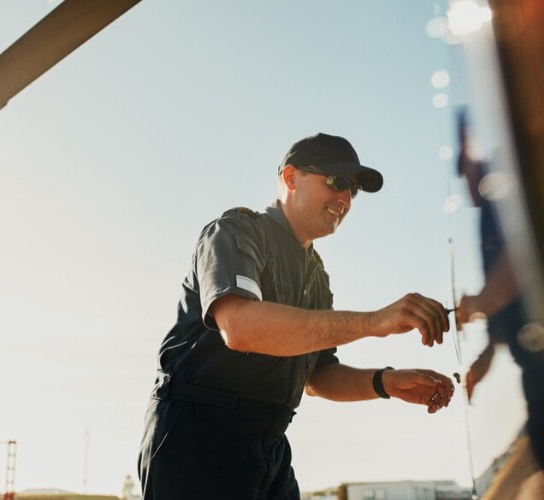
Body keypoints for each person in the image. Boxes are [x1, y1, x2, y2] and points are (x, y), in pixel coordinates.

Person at [137, 133, 454, 500]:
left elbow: (317, 376)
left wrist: (388, 382)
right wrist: (374, 322)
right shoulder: (235, 232)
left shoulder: (316, 277)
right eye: (337, 181)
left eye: (354, 190)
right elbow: (240, 328)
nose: (346, 198)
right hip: (196, 441)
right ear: (290, 178)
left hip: (268, 447)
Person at [455, 110, 544, 498]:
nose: (466, 184)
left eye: (464, 169)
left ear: (470, 149)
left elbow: (529, 255)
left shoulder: (507, 186)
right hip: (538, 373)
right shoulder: (487, 213)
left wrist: (477, 302)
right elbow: (505, 312)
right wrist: (483, 361)